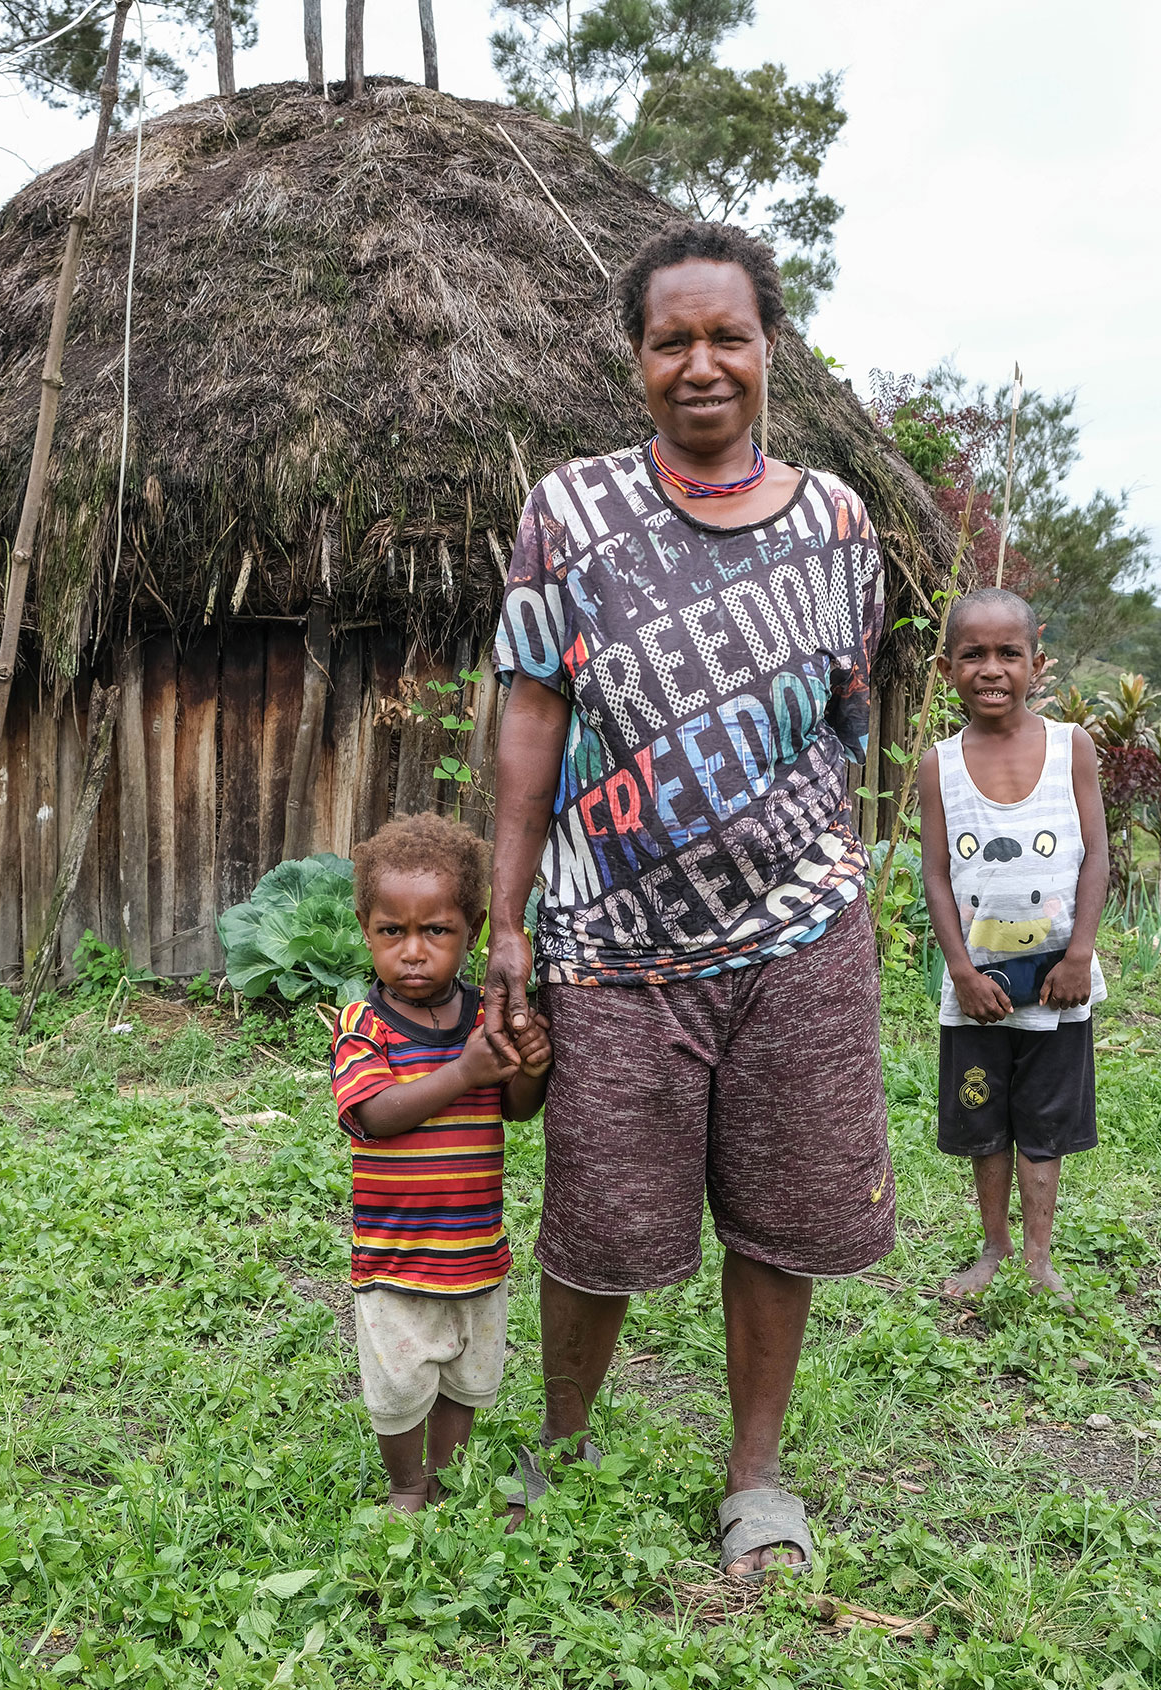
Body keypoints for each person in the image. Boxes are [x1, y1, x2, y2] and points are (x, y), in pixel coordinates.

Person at [483, 220, 895, 1582]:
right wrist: (508, 919)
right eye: (674, 340)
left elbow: (843, 723)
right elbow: (532, 713)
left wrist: (812, 873)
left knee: (781, 1216)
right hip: (612, 941)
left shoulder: (840, 524)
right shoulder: (571, 511)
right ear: (637, 358)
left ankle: (757, 1479)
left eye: (729, 337)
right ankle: (563, 1440)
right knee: (596, 1217)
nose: (702, 364)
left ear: (770, 350)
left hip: (798, 937)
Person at [331, 814, 552, 1513]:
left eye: (438, 931)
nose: (414, 952)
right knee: (399, 1387)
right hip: (396, 1256)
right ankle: (406, 1483)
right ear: (365, 927)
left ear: (476, 928)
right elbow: (372, 1116)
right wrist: (463, 1071)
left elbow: (514, 1107)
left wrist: (529, 1066)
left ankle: (446, 1471)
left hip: (475, 1251)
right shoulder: (362, 1028)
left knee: (465, 1377)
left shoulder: (481, 1021)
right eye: (392, 932)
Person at [918, 587, 1108, 1303]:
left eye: (1009, 653)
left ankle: (1038, 1258)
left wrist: (1079, 954)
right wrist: (961, 971)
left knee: (1044, 1125)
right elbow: (936, 874)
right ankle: (993, 1250)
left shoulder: (1071, 747)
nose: (991, 669)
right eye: (973, 654)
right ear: (946, 668)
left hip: (1059, 982)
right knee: (982, 1120)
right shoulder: (940, 764)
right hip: (979, 990)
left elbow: (1096, 856)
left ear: (1038, 663)